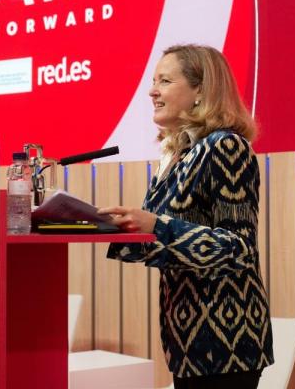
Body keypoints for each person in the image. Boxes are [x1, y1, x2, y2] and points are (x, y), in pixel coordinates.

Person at [98, 44, 273, 389]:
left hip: (226, 343)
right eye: (154, 81)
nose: (152, 90)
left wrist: (156, 226)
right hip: (188, 345)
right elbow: (166, 243)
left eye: (164, 80)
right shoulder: (177, 155)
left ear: (200, 90)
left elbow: (238, 248)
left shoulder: (225, 146)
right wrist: (118, 227)